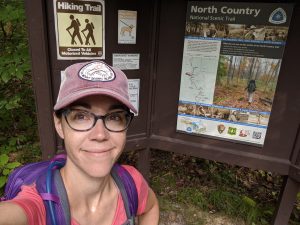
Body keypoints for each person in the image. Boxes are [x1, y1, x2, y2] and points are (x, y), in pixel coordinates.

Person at [0, 60, 159, 225]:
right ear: (59, 124)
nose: (99, 134)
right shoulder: (39, 204)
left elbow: (151, 207)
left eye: (114, 117)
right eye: (81, 116)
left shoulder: (131, 182)